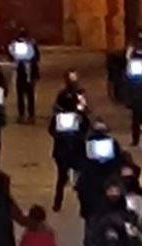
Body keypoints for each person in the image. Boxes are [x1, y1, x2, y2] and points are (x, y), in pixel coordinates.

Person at [48, 72, 89, 212]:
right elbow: (51, 130)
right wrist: (60, 135)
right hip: (64, 150)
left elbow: (86, 127)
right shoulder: (59, 116)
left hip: (75, 149)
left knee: (81, 178)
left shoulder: (80, 110)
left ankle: (83, 203)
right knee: (62, 177)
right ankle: (58, 202)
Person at [77, 119, 121, 219]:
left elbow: (119, 161)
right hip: (92, 180)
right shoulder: (86, 144)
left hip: (104, 179)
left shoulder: (112, 143)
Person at [8, 27, 41, 123]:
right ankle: (25, 115)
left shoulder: (29, 44)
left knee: (26, 95)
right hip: (22, 71)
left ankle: (28, 115)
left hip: (27, 72)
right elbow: (37, 57)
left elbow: (36, 57)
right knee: (25, 95)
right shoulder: (28, 44)